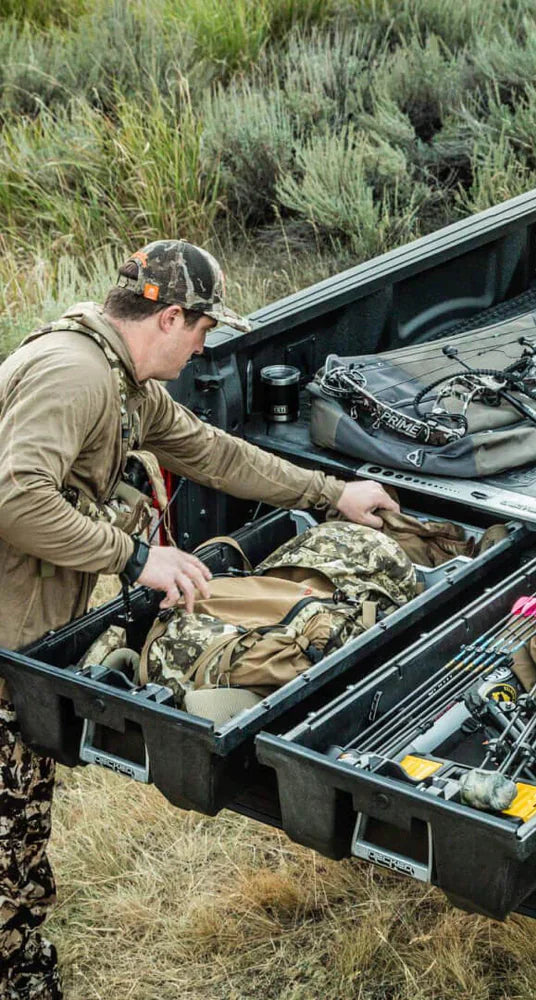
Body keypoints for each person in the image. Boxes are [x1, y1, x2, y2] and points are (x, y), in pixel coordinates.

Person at [0, 239, 400, 999]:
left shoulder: (119, 384)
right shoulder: (74, 375)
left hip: (16, 635)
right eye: (203, 331)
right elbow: (15, 500)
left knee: (17, 826)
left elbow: (213, 453)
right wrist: (133, 557)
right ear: (170, 316)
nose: (202, 348)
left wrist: (330, 494)